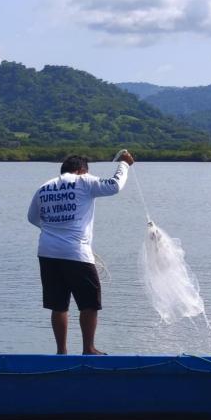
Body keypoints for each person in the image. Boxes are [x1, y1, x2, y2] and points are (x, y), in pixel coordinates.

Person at [27, 151, 134, 355]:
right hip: (76, 252)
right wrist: (124, 164)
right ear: (81, 170)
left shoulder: (44, 188)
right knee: (89, 303)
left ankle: (61, 352)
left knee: (58, 305)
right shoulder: (83, 181)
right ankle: (88, 348)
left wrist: (54, 228)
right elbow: (114, 185)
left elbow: (32, 218)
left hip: (47, 252)